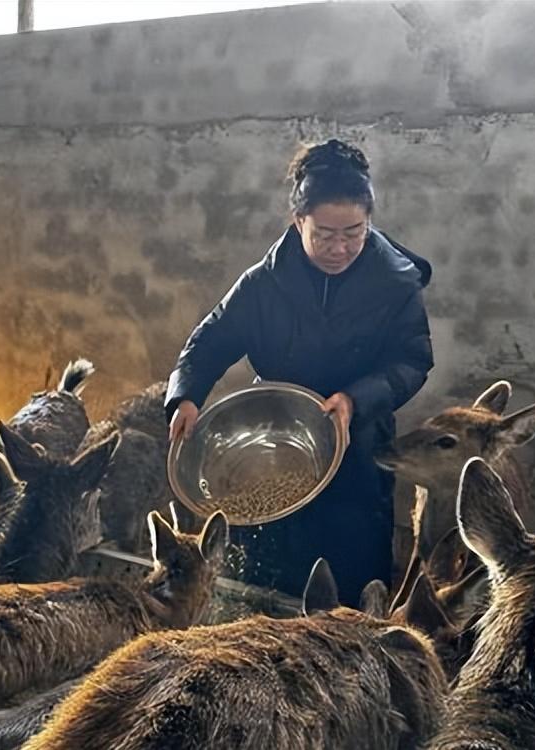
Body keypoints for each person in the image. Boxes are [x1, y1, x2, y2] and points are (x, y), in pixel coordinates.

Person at [165, 139, 433, 605]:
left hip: (356, 443)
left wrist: (355, 399)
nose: (340, 247)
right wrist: (186, 395)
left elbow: (412, 360)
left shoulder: (395, 284)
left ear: (369, 222)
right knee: (267, 568)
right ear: (298, 221)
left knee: (349, 574)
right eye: (324, 234)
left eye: (354, 232)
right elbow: (210, 340)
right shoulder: (263, 283)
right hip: (274, 439)